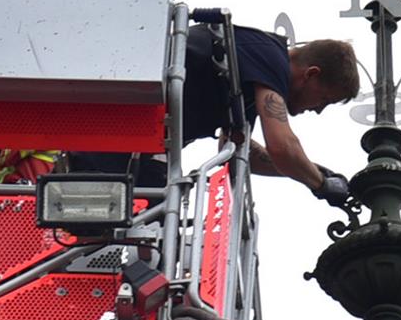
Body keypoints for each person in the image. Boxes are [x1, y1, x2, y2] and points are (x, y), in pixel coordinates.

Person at [71, 25, 359, 206]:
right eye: (324, 99)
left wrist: (313, 169)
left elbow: (238, 152)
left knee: (155, 235)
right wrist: (320, 184)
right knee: (152, 236)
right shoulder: (271, 56)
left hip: (124, 142)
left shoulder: (248, 83)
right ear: (311, 74)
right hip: (114, 128)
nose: (318, 110)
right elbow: (283, 146)